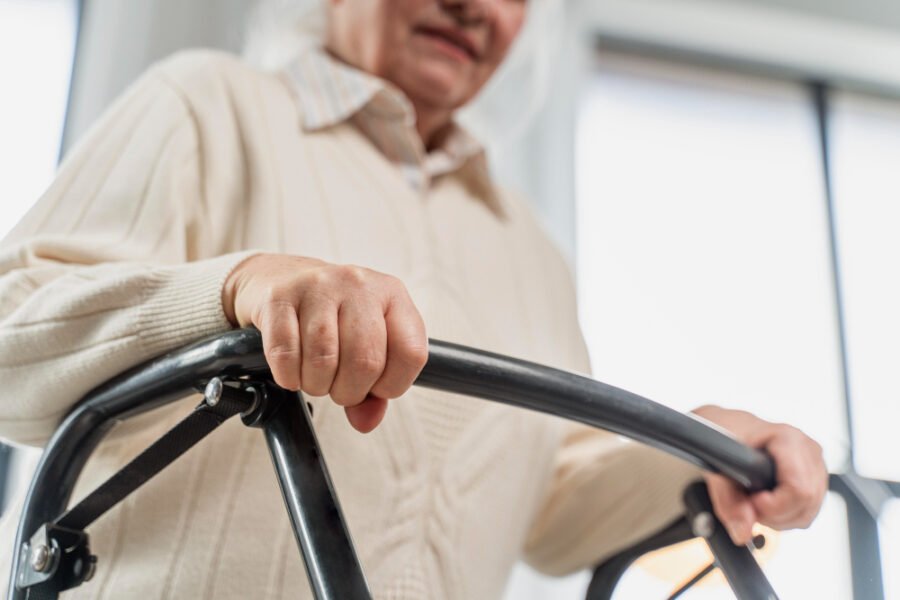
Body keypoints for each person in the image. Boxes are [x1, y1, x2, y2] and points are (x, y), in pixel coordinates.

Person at [0, 0, 827, 597]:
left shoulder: (530, 249)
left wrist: (710, 452)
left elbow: (553, 506)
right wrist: (237, 289)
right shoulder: (207, 104)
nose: (473, 8)